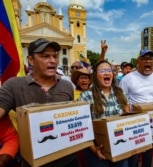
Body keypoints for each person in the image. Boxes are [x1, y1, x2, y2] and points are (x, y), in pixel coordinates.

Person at [0, 38, 79, 167]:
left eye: (55, 56)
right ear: (31, 60)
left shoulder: (67, 85)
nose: (53, 61)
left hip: (68, 160)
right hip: (34, 162)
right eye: (45, 56)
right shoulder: (14, 85)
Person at [77, 60, 129, 167]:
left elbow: (127, 117)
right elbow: (82, 127)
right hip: (96, 149)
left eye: (109, 70)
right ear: (95, 75)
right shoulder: (86, 96)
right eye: (102, 70)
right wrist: (94, 149)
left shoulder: (121, 92)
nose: (106, 73)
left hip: (119, 145)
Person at [119, 49, 153, 167]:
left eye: (150, 59)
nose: (148, 61)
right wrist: (129, 121)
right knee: (134, 156)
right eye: (144, 59)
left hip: (152, 123)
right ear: (138, 61)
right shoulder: (127, 78)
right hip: (135, 124)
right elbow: (122, 101)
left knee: (149, 153)